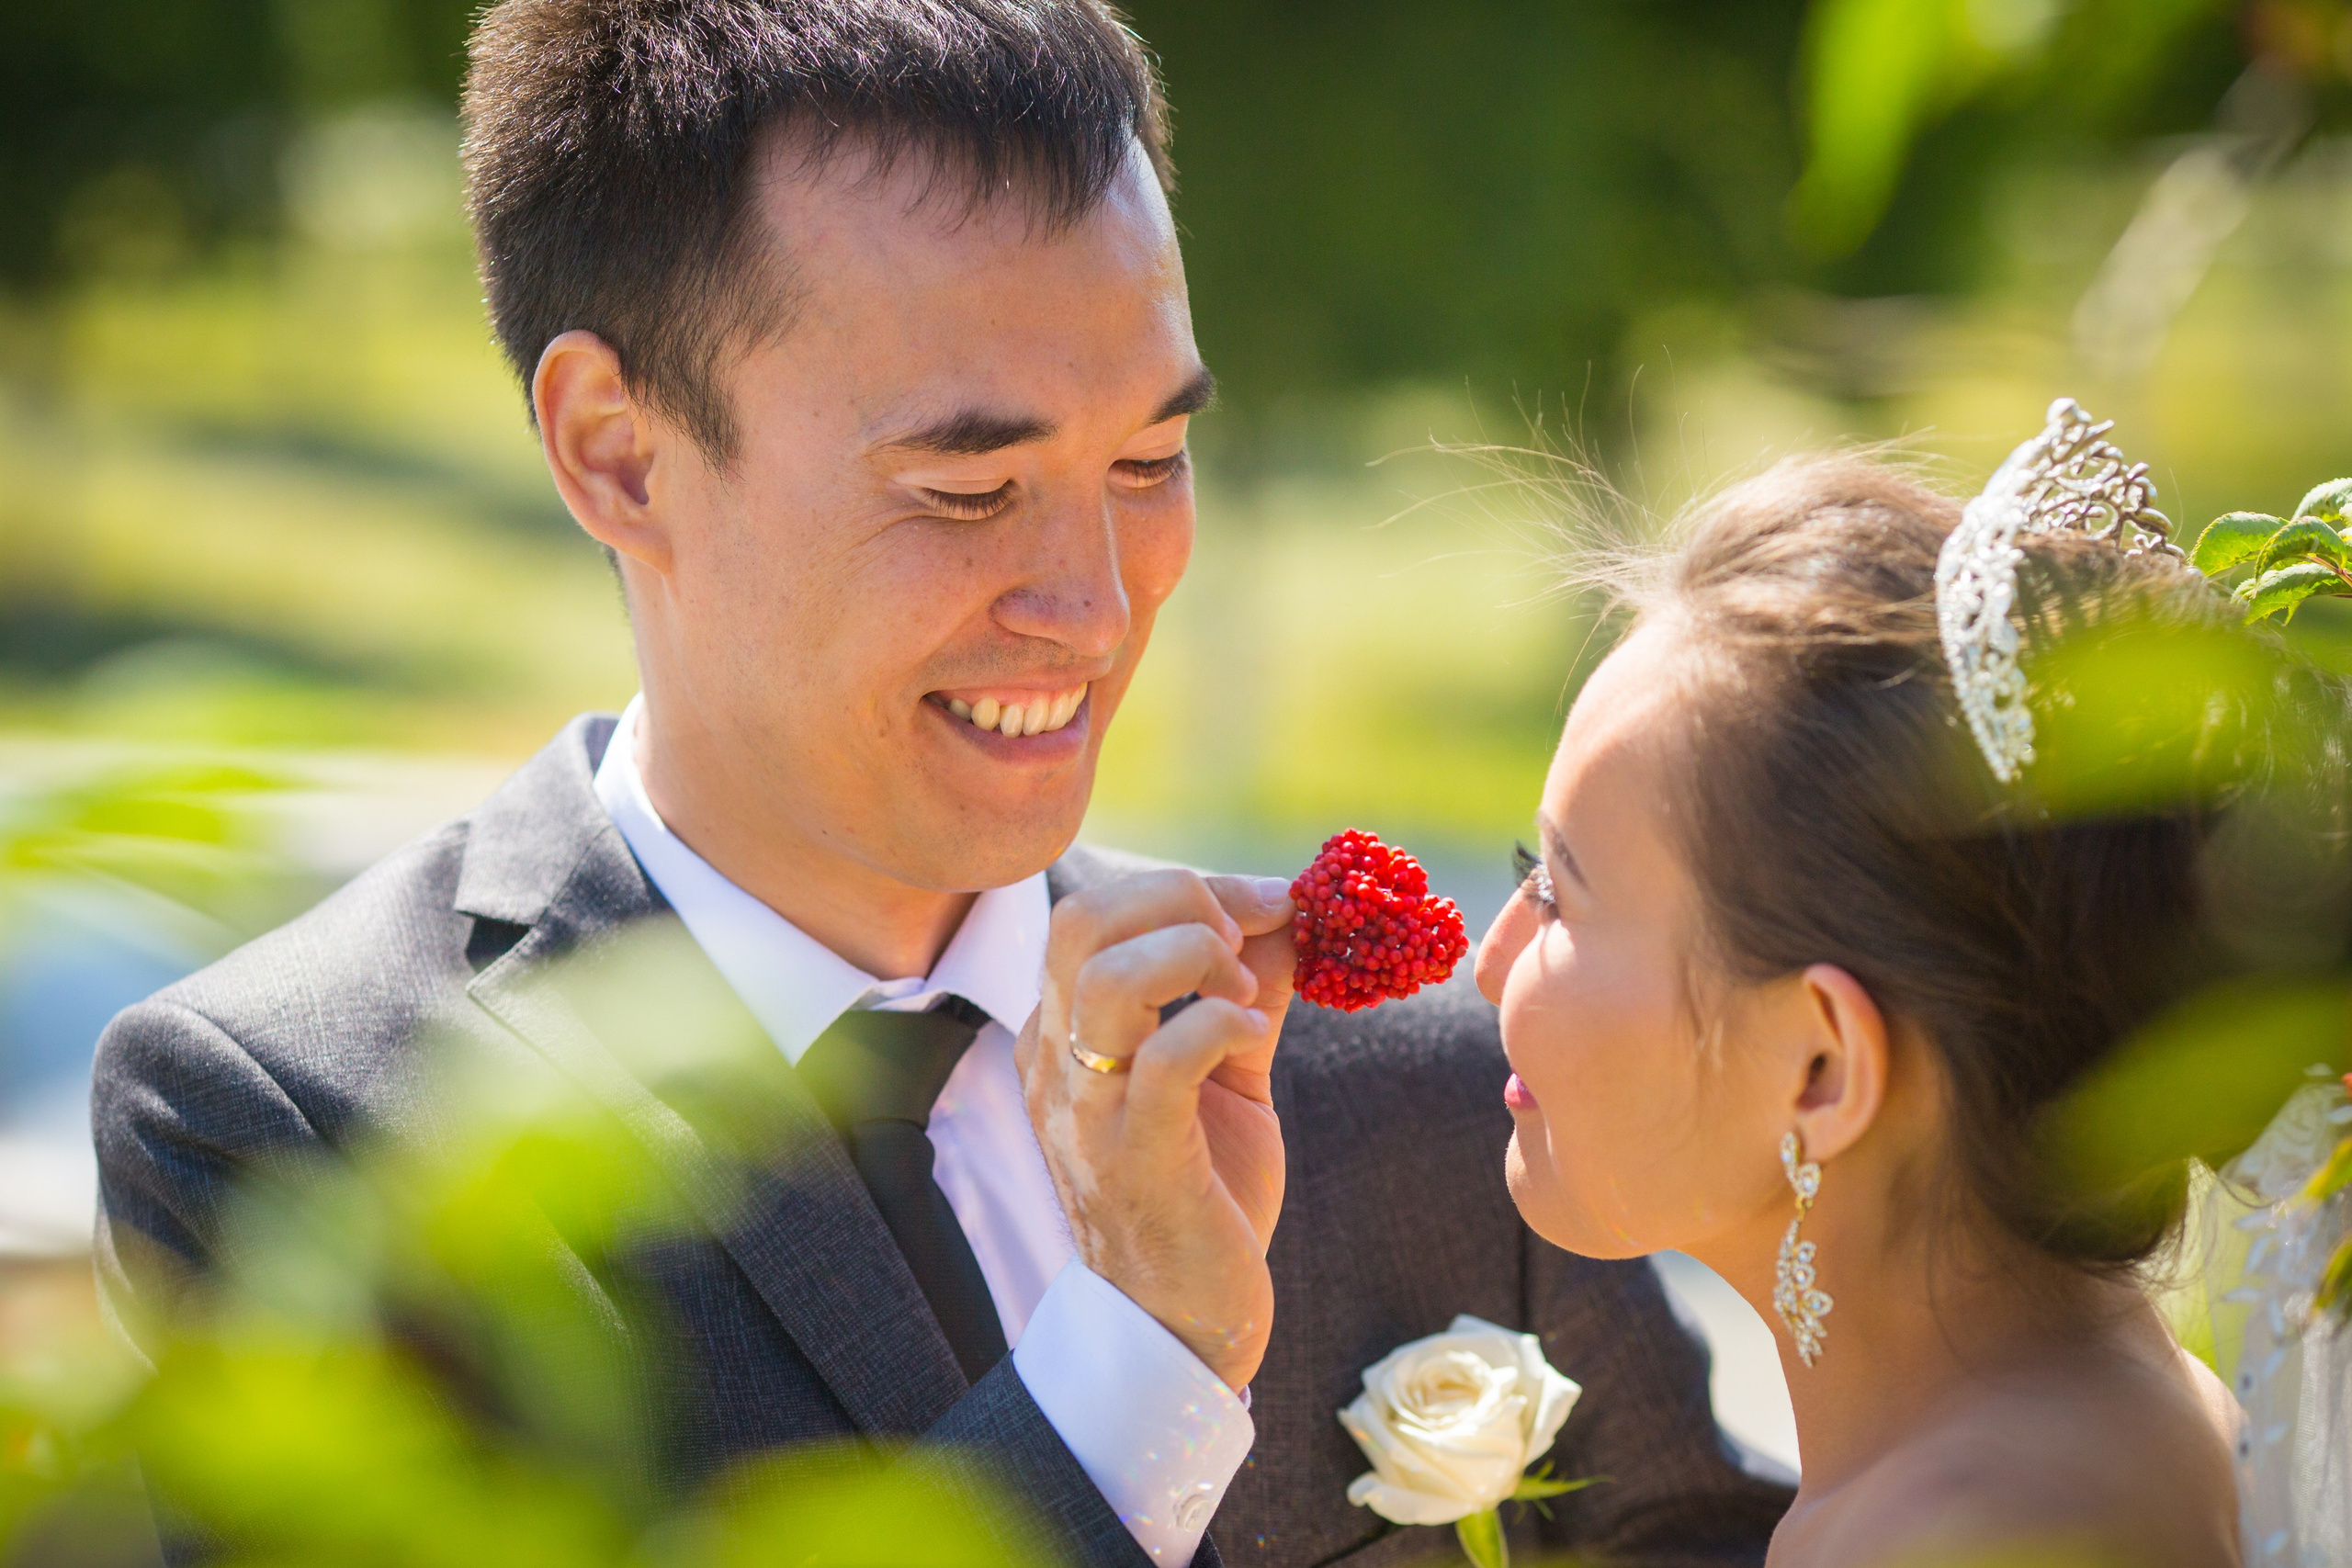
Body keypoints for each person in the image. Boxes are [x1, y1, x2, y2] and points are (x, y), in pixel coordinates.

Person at [89, 4, 1791, 1565]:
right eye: (970, 489)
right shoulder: (305, 1138)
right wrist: (1144, 1360)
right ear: (617, 448)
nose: (1099, 603)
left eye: (1149, 460)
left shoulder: (1416, 1092)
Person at [1476, 408, 2305, 1568]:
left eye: (1558, 893)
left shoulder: (1970, 1539)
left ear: (1819, 1069)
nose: (1489, 959)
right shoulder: (2098, 1436)